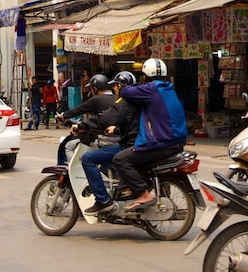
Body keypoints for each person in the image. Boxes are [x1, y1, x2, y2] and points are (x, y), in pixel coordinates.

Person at [113, 58, 188, 211]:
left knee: (120, 159)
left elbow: (126, 91)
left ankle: (143, 194)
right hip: (177, 142)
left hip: (162, 143)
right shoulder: (168, 87)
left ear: (145, 76)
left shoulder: (150, 89)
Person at [78, 72, 140, 214]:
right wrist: (116, 129)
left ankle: (103, 200)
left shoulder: (123, 102)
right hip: (135, 142)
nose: (114, 90)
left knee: (88, 158)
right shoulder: (138, 102)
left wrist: (81, 126)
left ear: (120, 86)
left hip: (128, 146)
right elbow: (132, 124)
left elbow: (103, 119)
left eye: (116, 87)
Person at [55, 73, 120, 165]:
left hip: (104, 139)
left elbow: (79, 110)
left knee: (69, 146)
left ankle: (74, 173)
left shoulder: (96, 100)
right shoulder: (117, 100)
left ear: (95, 88)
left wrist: (62, 116)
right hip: (119, 138)